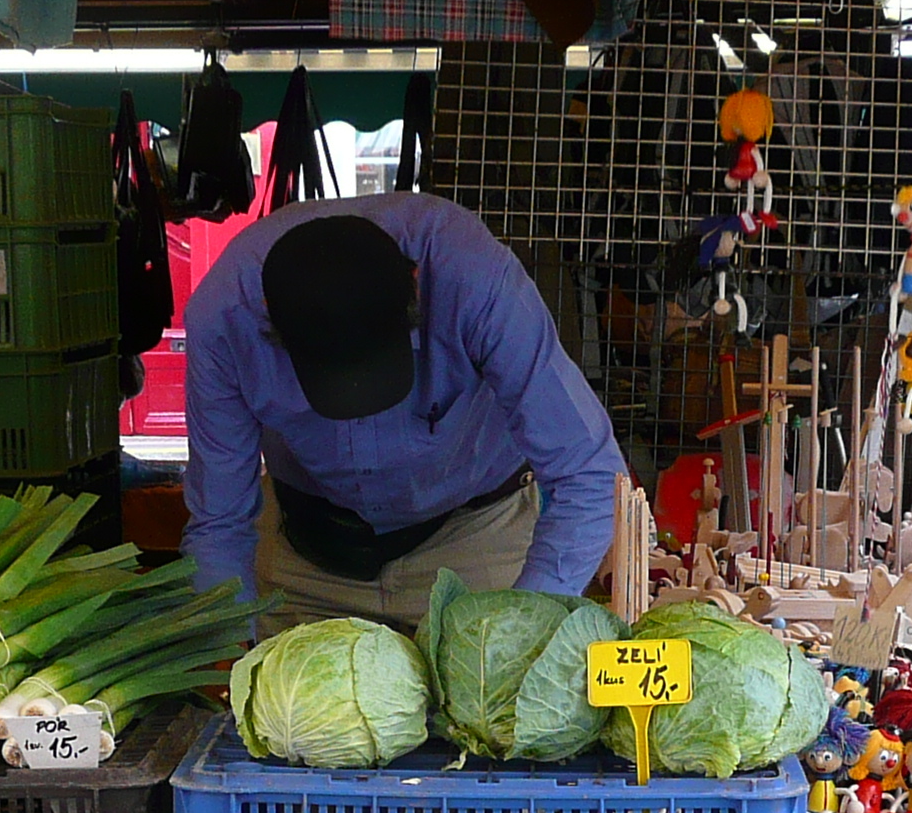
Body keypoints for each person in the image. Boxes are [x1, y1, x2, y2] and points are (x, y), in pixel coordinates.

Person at [180, 193, 626, 631]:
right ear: (269, 320)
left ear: (415, 287)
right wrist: (224, 645)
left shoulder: (473, 277)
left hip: (473, 543)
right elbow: (220, 521)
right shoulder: (225, 315)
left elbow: (587, 472)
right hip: (306, 561)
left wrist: (522, 627)